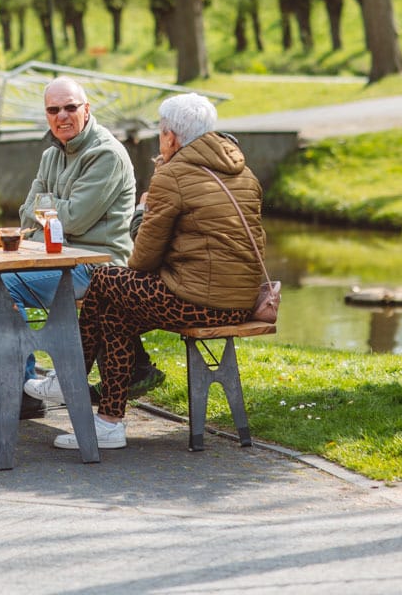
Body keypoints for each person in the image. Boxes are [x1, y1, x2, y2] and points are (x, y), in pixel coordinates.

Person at [30, 93, 266, 451]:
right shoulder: (244, 173)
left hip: (198, 301)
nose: (160, 138)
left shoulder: (172, 175)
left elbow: (141, 259)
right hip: (242, 301)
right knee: (114, 312)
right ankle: (105, 421)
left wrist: (143, 208)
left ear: (171, 137)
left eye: (160, 132)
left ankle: (74, 382)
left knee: (107, 278)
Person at [0, 76, 136, 424]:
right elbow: (25, 212)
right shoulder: (51, 155)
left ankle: (20, 388)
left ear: (87, 109)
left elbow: (75, 220)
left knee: (0, 285)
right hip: (50, 257)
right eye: (53, 110)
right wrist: (48, 209)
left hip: (96, 268)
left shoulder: (105, 154)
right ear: (47, 115)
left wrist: (45, 206)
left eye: (70, 107)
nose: (62, 116)